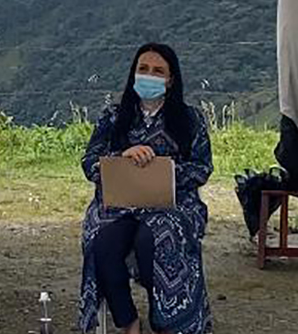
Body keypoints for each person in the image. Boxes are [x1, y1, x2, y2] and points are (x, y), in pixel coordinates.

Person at [78, 43, 214, 334]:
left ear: (170, 79)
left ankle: (167, 319)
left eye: (158, 71)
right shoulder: (113, 117)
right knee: (101, 240)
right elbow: (89, 161)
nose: (149, 75)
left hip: (172, 204)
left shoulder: (190, 120)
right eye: (143, 69)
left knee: (155, 237)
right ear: (133, 74)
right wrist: (121, 159)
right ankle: (128, 321)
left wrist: (162, 170)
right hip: (118, 204)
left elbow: (202, 168)